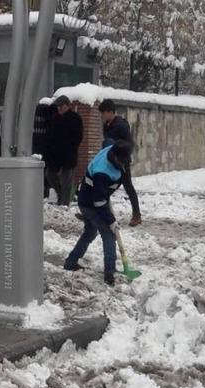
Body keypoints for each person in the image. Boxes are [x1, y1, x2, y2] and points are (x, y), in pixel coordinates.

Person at [63, 140, 134, 286]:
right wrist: (111, 221)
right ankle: (110, 271)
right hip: (90, 204)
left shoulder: (112, 148)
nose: (124, 163)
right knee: (108, 233)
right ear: (114, 157)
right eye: (121, 161)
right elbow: (99, 202)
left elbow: (108, 140)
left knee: (90, 232)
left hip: (90, 198)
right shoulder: (103, 173)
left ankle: (71, 261)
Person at [99, 99, 142, 226]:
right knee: (105, 188)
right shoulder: (106, 125)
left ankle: (137, 215)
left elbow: (129, 144)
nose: (102, 115)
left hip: (121, 162)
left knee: (128, 186)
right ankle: (98, 213)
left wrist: (121, 156)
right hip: (110, 161)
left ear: (110, 112)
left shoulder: (121, 125)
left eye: (103, 113)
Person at [44, 95, 83, 206]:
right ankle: (60, 195)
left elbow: (78, 137)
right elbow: (50, 136)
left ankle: (64, 203)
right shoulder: (55, 118)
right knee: (50, 175)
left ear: (67, 105)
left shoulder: (75, 118)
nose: (59, 108)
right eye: (58, 106)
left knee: (66, 180)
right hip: (55, 154)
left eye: (61, 106)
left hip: (69, 154)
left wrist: (71, 149)